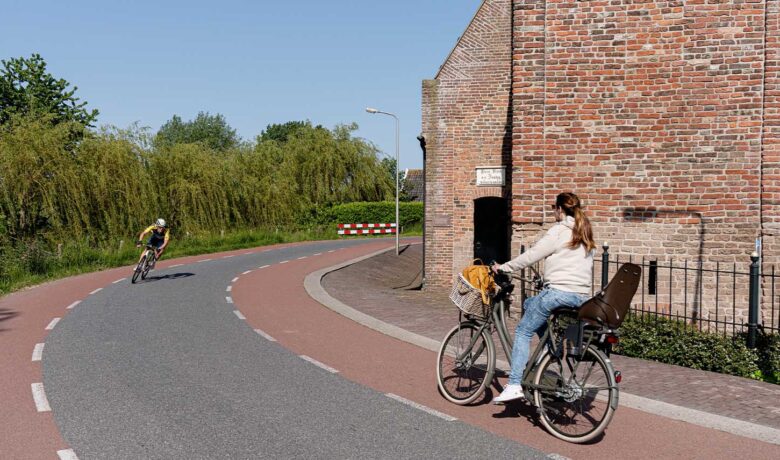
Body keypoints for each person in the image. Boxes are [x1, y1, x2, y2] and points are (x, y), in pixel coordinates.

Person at [491, 192, 596, 404]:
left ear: (559, 209)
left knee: (523, 330)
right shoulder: (584, 231)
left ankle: (513, 384)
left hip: (558, 293)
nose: (553, 212)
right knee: (531, 304)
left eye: (553, 208)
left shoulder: (559, 230)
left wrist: (503, 267)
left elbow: (533, 255)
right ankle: (549, 349)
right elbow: (574, 265)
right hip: (582, 296)